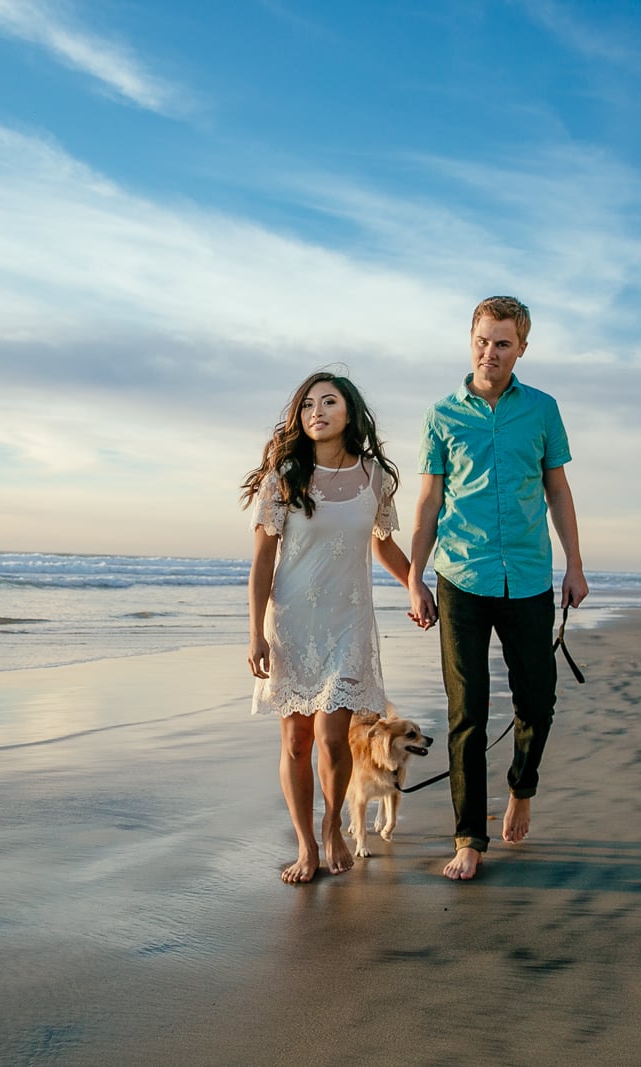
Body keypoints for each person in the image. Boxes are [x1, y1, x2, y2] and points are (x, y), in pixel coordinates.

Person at [408, 296, 589, 881]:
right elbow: (429, 501)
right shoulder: (442, 415)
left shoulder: (542, 410)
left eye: (503, 343)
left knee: (539, 701)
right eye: (483, 340)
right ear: (471, 340)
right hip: (460, 575)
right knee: (468, 713)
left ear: (522, 348)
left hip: (530, 577)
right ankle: (469, 838)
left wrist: (575, 566)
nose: (491, 352)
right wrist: (415, 577)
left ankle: (521, 787)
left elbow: (557, 491)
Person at [242, 371, 424, 884]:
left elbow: (382, 542)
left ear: (350, 412)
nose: (316, 412)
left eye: (328, 402)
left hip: (349, 624)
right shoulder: (284, 476)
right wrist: (255, 632)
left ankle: (332, 828)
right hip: (293, 623)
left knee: (332, 735)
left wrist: (415, 583)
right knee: (297, 741)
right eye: (307, 406)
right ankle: (305, 845)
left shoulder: (374, 478)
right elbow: (261, 560)